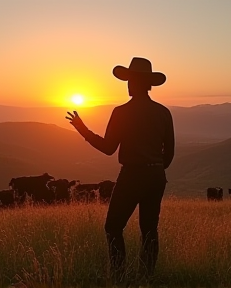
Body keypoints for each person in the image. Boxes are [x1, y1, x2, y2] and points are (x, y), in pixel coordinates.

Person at [65, 57, 175, 285]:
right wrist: (154, 168)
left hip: (132, 175)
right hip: (156, 177)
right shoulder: (163, 112)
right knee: (149, 229)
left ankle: (119, 276)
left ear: (134, 83)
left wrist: (82, 128)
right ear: (150, 84)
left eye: (129, 80)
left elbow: (107, 148)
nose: (127, 85)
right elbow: (170, 153)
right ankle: (147, 278)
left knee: (113, 226)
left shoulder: (121, 112)